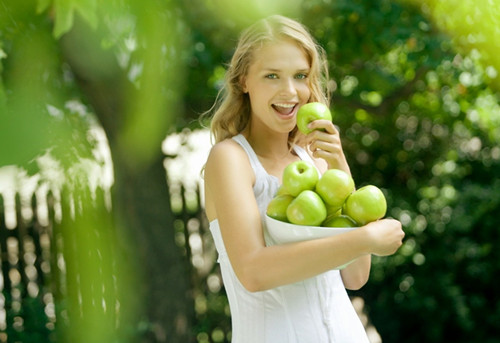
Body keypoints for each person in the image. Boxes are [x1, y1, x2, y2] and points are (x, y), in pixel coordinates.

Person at [203, 15, 405, 343]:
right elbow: (254, 271)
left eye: (300, 75)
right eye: (272, 76)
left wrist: (338, 163)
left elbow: (355, 275)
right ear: (244, 81)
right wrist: (366, 238)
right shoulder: (230, 159)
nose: (290, 91)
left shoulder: (316, 160)